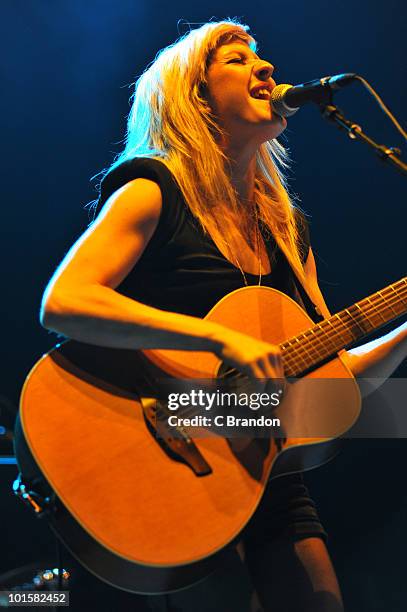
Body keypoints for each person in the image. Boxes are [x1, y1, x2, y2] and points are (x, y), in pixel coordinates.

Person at [39, 19, 407, 612]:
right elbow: (65, 302)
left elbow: (335, 379)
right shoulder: (153, 188)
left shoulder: (286, 229)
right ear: (195, 96)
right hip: (167, 448)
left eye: (262, 58)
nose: (265, 68)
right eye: (238, 60)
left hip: (265, 467)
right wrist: (218, 342)